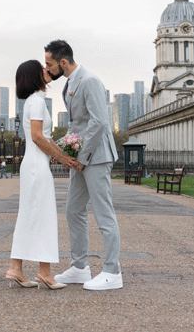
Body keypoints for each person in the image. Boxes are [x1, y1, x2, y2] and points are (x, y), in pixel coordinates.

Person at [46, 39, 123, 291]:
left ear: (63, 62)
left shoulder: (89, 81)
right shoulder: (69, 84)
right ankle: (80, 268)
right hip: (81, 157)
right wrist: (68, 153)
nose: (47, 70)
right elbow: (76, 125)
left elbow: (100, 122)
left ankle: (113, 271)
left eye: (50, 64)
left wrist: (81, 157)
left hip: (97, 156)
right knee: (73, 209)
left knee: (104, 214)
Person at [7, 59, 82, 290]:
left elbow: (46, 138)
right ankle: (45, 273)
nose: (47, 70)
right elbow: (39, 138)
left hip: (33, 165)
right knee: (44, 216)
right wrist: (61, 158)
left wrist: (66, 157)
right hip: (37, 167)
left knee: (30, 215)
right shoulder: (37, 102)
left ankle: (17, 268)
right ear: (33, 76)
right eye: (42, 68)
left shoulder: (34, 101)